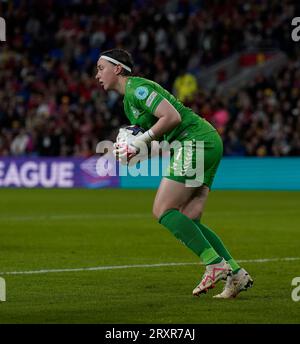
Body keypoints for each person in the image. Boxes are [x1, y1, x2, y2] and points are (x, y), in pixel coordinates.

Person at [95, 48, 253, 298]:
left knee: (162, 209)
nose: (97, 75)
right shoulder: (129, 102)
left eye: (101, 68)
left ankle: (214, 263)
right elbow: (159, 138)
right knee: (189, 216)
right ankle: (235, 273)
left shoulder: (138, 89)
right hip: (203, 142)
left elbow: (172, 117)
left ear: (117, 69)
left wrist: (140, 142)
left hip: (195, 142)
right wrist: (135, 152)